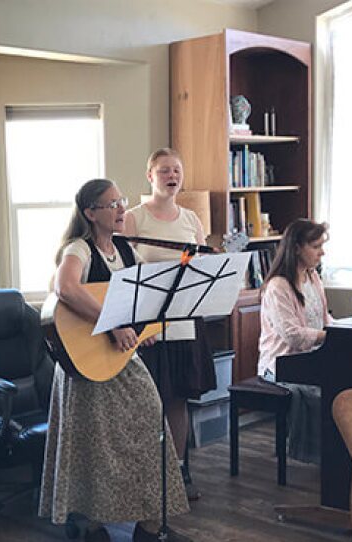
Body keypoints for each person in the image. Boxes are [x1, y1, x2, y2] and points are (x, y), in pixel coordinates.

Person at [39, 179, 192, 542]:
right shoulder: (79, 248)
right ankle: (94, 525)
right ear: (91, 213)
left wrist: (143, 327)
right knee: (95, 445)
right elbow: (66, 288)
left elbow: (144, 295)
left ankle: (146, 523)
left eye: (121, 201)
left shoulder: (124, 250)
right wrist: (113, 324)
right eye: (112, 204)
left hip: (119, 358)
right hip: (85, 361)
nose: (122, 208)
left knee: (150, 425)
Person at [124, 147, 213, 501]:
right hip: (147, 325)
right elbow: (125, 272)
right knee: (149, 400)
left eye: (176, 169)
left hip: (184, 319)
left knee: (178, 398)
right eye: (164, 170)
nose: (171, 176)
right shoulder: (133, 218)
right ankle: (146, 472)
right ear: (150, 176)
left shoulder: (191, 219)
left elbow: (202, 265)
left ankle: (177, 471)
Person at [257, 218, 332, 463]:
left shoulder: (313, 278)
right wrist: (328, 336)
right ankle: (317, 455)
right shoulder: (278, 286)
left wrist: (340, 329)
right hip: (281, 364)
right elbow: (293, 335)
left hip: (309, 358)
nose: (322, 252)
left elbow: (324, 319)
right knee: (322, 392)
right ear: (297, 248)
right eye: (316, 246)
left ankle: (336, 455)